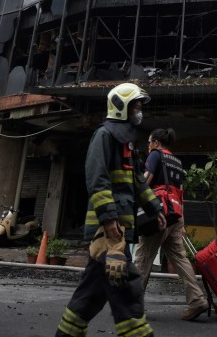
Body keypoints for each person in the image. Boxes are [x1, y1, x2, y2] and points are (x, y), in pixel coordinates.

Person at [54, 83, 164, 337]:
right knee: (125, 283)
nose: (139, 111)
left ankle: (67, 333)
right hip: (108, 230)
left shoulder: (126, 141)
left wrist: (154, 207)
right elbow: (97, 177)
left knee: (93, 289)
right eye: (135, 106)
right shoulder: (104, 135)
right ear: (121, 107)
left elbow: (137, 180)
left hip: (117, 227)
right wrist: (108, 217)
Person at [132, 127, 207, 321]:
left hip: (159, 214)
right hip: (176, 214)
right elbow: (180, 193)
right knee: (180, 259)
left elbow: (145, 182)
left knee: (143, 257)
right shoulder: (177, 161)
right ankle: (197, 300)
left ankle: (132, 306)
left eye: (149, 142)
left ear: (156, 143)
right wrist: (182, 222)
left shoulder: (155, 156)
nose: (148, 146)